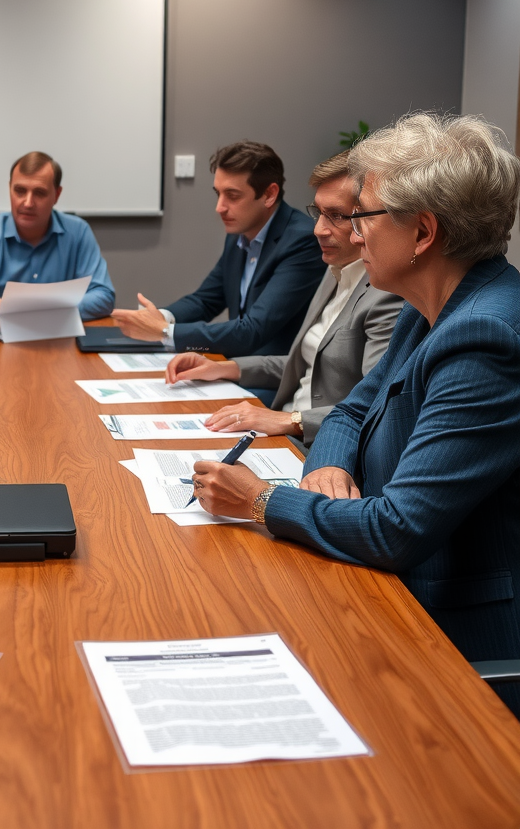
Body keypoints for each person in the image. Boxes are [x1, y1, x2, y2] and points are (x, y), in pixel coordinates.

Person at [188, 113, 520, 717]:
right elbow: (349, 411)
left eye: (361, 216)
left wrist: (260, 501)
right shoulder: (432, 306)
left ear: (422, 232)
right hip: (385, 594)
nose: (351, 235)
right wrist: (330, 465)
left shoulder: (483, 338)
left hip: (448, 640)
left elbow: (396, 529)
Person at [165, 151, 403, 445]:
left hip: (321, 441)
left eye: (337, 216)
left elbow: (376, 406)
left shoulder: (386, 293)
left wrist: (289, 420)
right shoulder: (335, 270)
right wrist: (226, 367)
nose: (318, 229)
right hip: (288, 420)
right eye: (318, 213)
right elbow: (308, 365)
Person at [112, 141, 326, 359]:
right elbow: (205, 300)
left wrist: (165, 332)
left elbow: (253, 330)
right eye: (218, 194)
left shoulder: (302, 240)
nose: (220, 207)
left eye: (232, 196)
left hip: (274, 378)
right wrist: (160, 317)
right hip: (235, 366)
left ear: (269, 194)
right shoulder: (239, 234)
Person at [0, 151, 114, 325]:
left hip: (59, 343)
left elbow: (103, 295)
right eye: (19, 191)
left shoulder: (78, 233)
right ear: (9, 188)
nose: (27, 203)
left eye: (39, 193)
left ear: (56, 195)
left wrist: (49, 310)